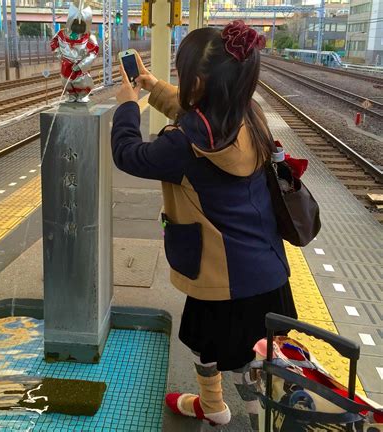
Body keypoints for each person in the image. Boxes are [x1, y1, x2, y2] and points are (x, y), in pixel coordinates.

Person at [111, 21, 297, 430]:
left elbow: (127, 154)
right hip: (269, 270)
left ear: (197, 81)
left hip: (219, 278)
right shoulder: (251, 115)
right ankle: (257, 417)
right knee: (260, 354)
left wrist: (128, 104)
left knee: (210, 347)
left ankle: (215, 408)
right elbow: (197, 113)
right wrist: (151, 84)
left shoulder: (181, 144)